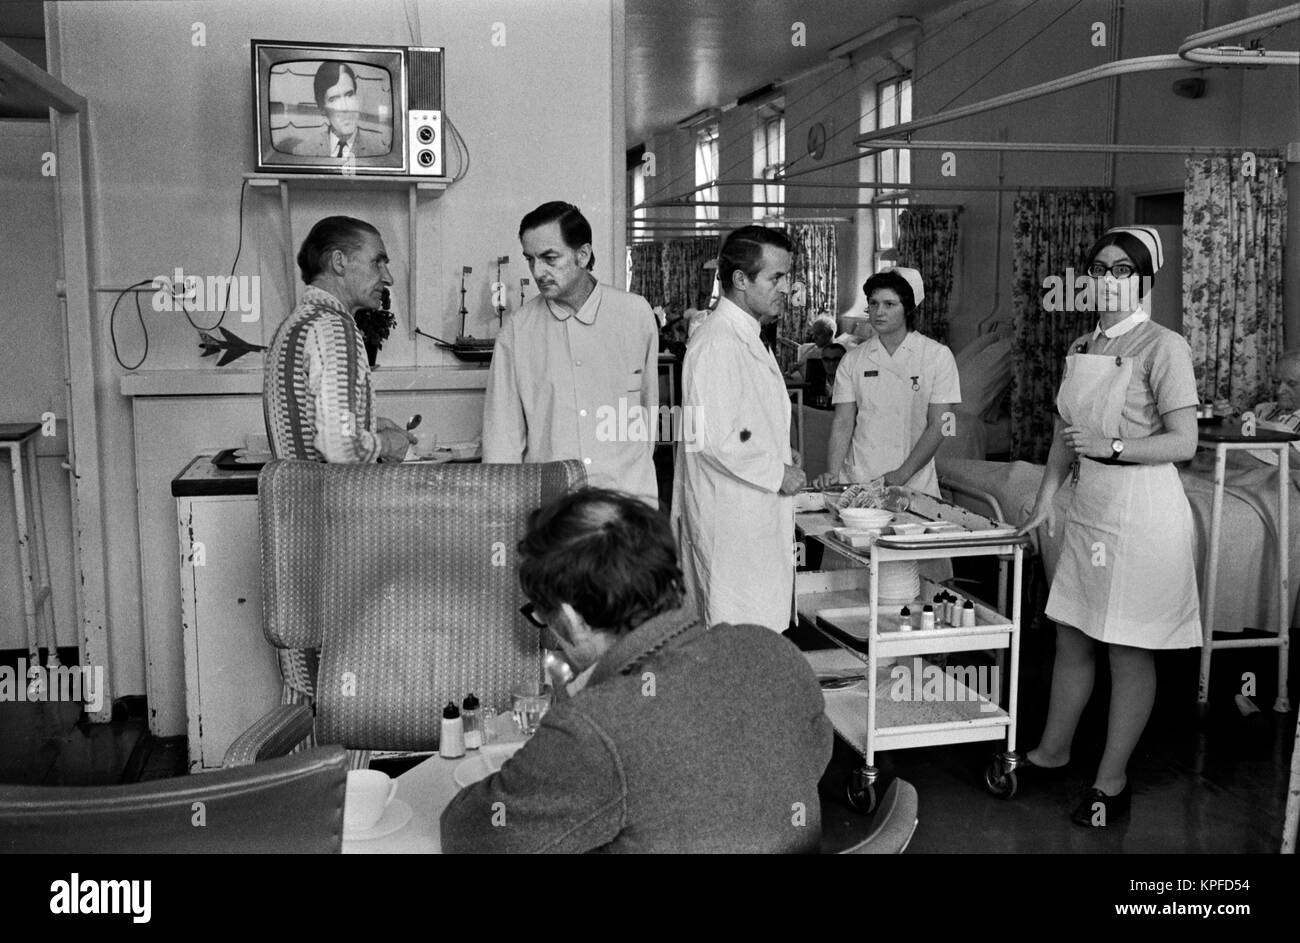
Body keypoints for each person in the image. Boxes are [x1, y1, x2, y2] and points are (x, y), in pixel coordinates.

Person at [439, 487, 832, 853]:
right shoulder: (771, 649)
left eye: (541, 615)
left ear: (573, 619)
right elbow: (810, 756)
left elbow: (469, 834)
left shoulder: (593, 728)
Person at [1017, 226, 1201, 827]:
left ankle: (1111, 779)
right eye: (1099, 267)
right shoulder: (1082, 344)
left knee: (1126, 646)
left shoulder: (1164, 346)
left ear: (1146, 280)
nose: (1107, 279)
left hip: (1143, 509)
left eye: (1123, 270)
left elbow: (1185, 442)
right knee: (1071, 631)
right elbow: (1063, 439)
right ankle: (1052, 751)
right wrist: (1045, 500)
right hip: (1091, 505)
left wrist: (1113, 445)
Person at [671, 225, 806, 633]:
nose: (787, 288)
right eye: (776, 277)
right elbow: (717, 438)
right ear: (741, 280)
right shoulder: (717, 342)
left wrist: (779, 451)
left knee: (751, 633)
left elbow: (743, 424)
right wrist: (778, 472)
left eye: (787, 276)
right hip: (731, 519)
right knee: (736, 636)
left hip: (748, 512)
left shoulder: (746, 335)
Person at [483, 202, 659, 506]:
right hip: (554, 511)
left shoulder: (635, 313)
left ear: (583, 255)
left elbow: (647, 409)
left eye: (550, 258)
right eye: (530, 259)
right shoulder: (518, 331)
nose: (539, 271)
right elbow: (503, 439)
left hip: (628, 504)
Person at [263, 216, 414, 463]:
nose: (388, 278)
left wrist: (365, 424)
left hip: (296, 497)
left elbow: (320, 423)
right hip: (326, 499)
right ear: (339, 262)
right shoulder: (333, 328)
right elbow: (339, 446)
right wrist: (388, 444)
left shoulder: (296, 323)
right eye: (377, 262)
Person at [814, 267, 960, 497]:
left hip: (914, 482)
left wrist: (903, 473)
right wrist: (832, 472)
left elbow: (943, 425)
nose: (878, 312)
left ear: (908, 310)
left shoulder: (937, 356)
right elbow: (843, 421)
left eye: (889, 304)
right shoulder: (853, 360)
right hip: (859, 478)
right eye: (873, 303)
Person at [291, 62, 386, 159]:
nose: (345, 107)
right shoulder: (303, 151)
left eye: (349, 95)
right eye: (333, 99)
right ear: (322, 110)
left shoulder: (378, 152)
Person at [1246, 350, 1300, 465]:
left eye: (1291, 384)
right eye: (1276, 382)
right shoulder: (1262, 410)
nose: (1279, 391)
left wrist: (1276, 436)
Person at [785, 313, 837, 382]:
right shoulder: (813, 347)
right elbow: (799, 364)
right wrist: (794, 367)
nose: (813, 337)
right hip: (798, 381)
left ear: (830, 334)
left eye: (818, 334)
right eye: (813, 334)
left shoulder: (833, 354)